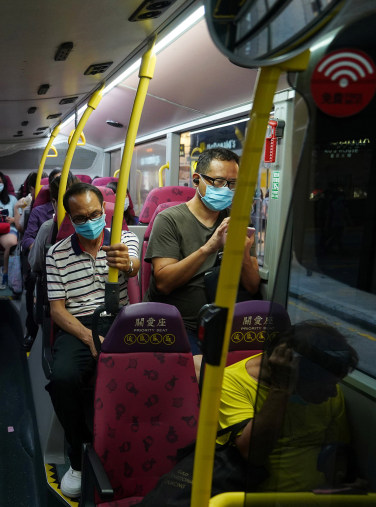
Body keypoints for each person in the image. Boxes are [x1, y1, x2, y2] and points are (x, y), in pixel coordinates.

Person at [45, 182, 140, 498]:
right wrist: (89, 338)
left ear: (105, 211)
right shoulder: (56, 253)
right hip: (79, 323)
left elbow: (135, 264)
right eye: (81, 217)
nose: (89, 222)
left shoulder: (122, 240)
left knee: (136, 376)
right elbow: (57, 311)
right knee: (63, 378)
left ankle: (129, 448)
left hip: (120, 319)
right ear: (70, 220)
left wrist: (125, 263)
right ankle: (80, 453)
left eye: (95, 214)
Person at [218, 322, 358, 492]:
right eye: (324, 386)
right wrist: (280, 387)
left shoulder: (327, 386)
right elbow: (253, 454)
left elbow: (338, 451)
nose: (333, 393)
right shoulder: (232, 384)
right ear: (294, 371)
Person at [144, 148, 260, 353]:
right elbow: (163, 284)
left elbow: (252, 286)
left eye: (233, 184)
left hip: (224, 322)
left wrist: (243, 254)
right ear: (197, 180)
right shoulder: (169, 219)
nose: (226, 189)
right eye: (219, 182)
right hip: (177, 323)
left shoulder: (236, 219)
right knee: (207, 372)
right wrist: (209, 247)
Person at [21, 168, 63, 252]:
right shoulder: (38, 211)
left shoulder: (76, 211)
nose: (61, 187)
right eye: (57, 183)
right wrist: (40, 251)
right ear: (50, 187)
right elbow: (27, 239)